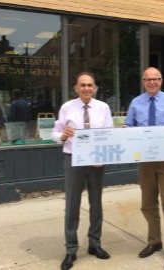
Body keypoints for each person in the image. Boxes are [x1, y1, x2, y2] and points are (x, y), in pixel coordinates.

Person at [124, 67, 164, 269]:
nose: (152, 82)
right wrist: (126, 133)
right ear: (143, 81)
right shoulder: (136, 103)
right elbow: (129, 126)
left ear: (161, 80)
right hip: (144, 159)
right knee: (148, 202)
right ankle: (154, 241)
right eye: (148, 79)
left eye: (156, 79)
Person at [51, 72, 113, 270]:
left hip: (96, 162)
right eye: (82, 85)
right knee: (72, 205)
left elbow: (108, 134)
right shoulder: (67, 108)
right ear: (76, 88)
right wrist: (62, 135)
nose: (87, 88)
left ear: (94, 88)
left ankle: (95, 244)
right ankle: (71, 249)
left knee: (96, 204)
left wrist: (102, 156)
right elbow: (54, 132)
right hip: (73, 159)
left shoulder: (103, 108)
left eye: (90, 85)